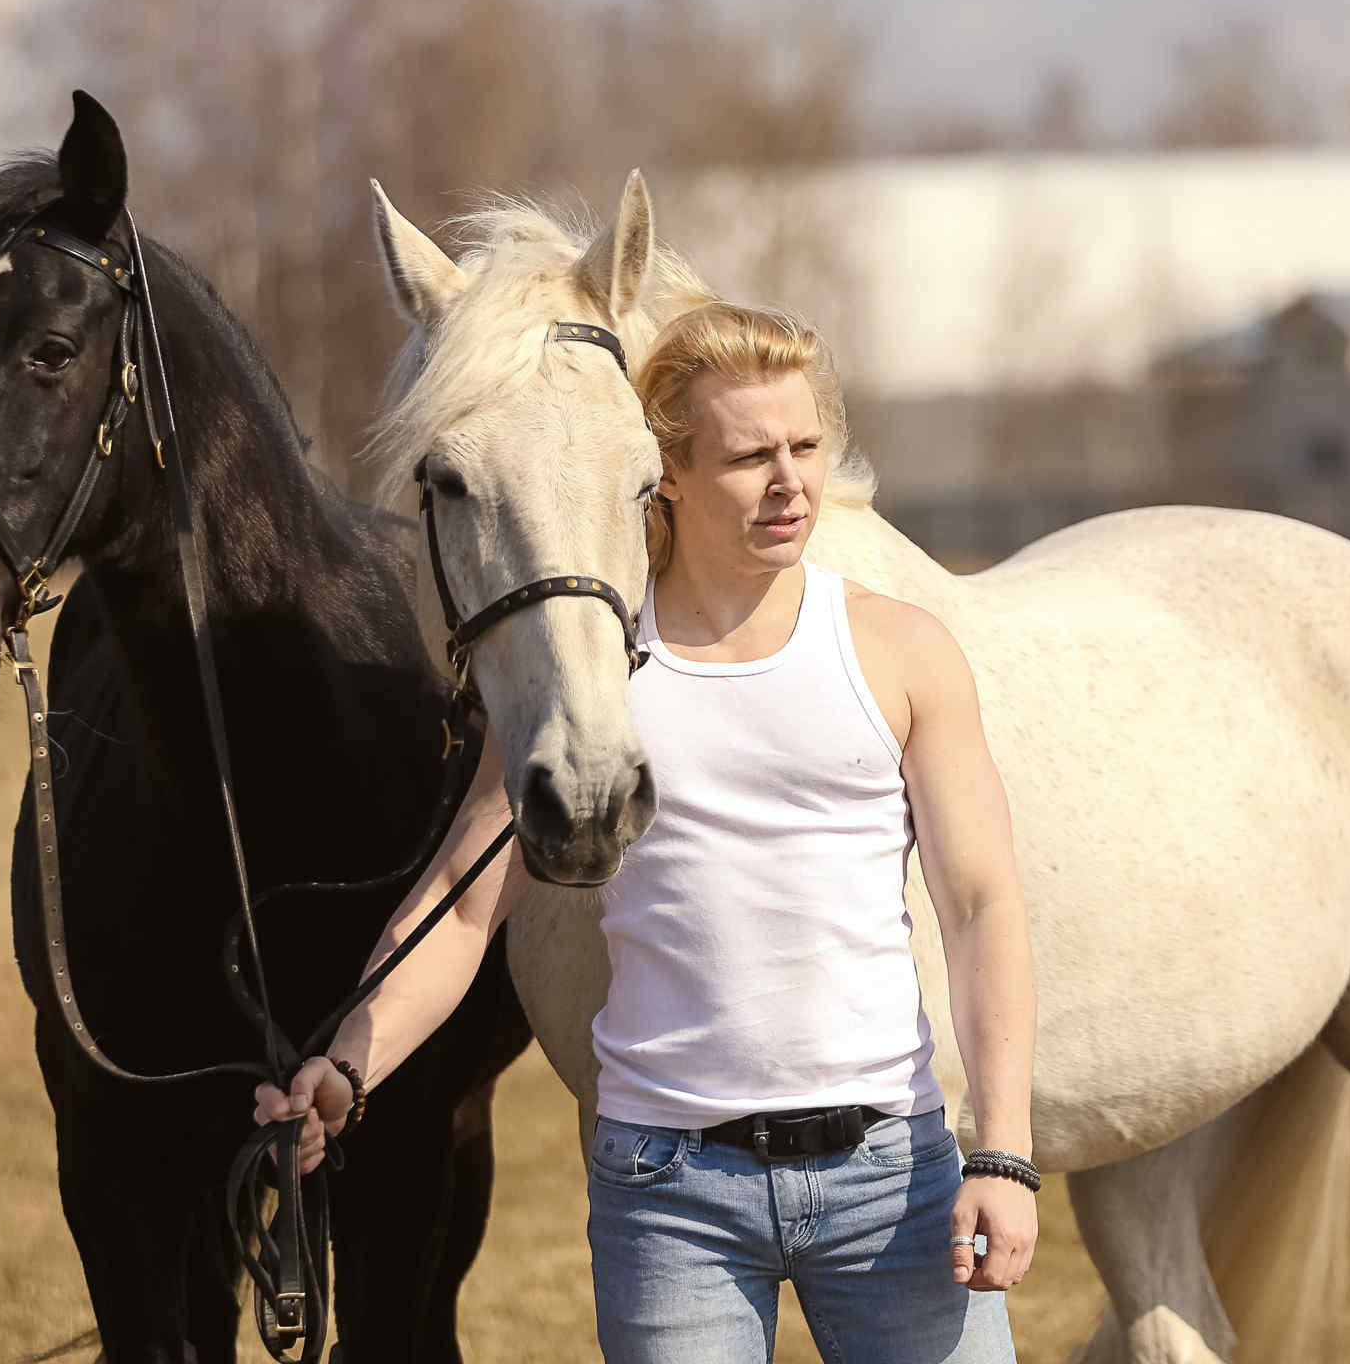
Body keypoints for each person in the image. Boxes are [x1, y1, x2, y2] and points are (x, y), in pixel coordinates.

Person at [256, 303, 1038, 1361]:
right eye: (750, 455)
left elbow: (983, 904)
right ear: (665, 469)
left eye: (806, 445)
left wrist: (1004, 1152)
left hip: (891, 1177)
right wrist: (350, 1064)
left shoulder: (900, 650)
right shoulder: (593, 674)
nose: (791, 482)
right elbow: (463, 899)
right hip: (670, 1196)